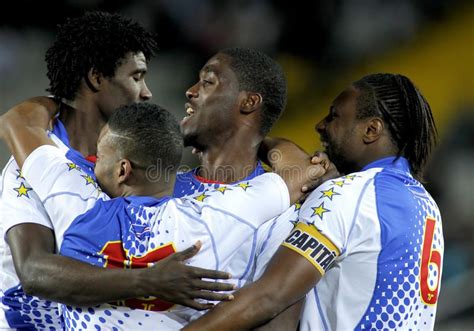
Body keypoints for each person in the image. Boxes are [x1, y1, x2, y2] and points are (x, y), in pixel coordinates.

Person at [0, 99, 327, 329]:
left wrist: (59, 99)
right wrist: (261, 140)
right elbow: (303, 171)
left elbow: (18, 121)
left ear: (123, 170)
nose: (93, 164)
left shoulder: (75, 201)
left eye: (100, 156)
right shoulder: (217, 216)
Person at [0, 12, 230, 330]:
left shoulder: (132, 160)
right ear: (97, 78)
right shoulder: (29, 167)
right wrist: (146, 281)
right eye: (136, 77)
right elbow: (34, 271)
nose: (147, 92)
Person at [184, 73, 444, 330]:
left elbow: (268, 297)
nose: (320, 125)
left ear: (371, 130)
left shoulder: (349, 194)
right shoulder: (425, 204)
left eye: (334, 116)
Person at [175, 47, 306, 329]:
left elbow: (276, 321)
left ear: (248, 102)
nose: (190, 91)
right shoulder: (160, 187)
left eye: (208, 82)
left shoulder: (282, 215)